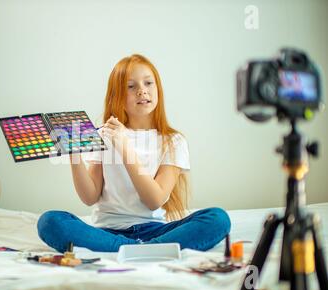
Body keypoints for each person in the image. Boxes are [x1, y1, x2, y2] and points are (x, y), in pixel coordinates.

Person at [37, 54, 230, 253]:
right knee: (49, 221)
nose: (142, 91)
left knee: (217, 218)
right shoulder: (103, 134)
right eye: (131, 86)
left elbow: (154, 200)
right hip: (107, 232)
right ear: (117, 96)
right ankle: (144, 250)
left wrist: (124, 146)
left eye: (148, 83)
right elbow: (90, 196)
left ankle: (129, 249)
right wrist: (73, 153)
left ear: (158, 90)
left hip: (156, 230)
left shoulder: (173, 141)